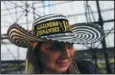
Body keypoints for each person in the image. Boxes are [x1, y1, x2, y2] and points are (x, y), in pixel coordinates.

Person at [7, 14, 99, 74]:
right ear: (35, 50)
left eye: (70, 44)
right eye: (55, 47)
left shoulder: (87, 69)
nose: (66, 55)